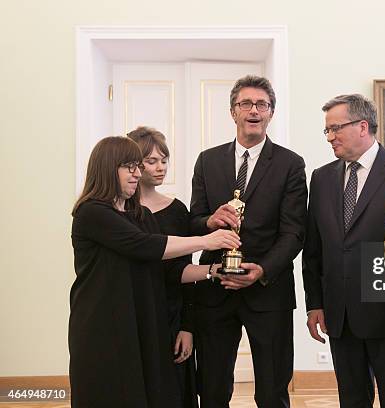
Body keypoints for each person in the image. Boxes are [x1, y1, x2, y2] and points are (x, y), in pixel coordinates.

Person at [69, 136, 240, 408]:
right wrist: (207, 240)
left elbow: (169, 270)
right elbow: (145, 245)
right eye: (129, 167)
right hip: (101, 325)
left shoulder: (141, 215)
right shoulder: (91, 213)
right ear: (107, 168)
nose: (138, 173)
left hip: (140, 322)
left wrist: (212, 270)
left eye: (138, 166)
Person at [190, 75, 307, 407]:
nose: (254, 110)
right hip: (215, 289)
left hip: (269, 291)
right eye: (246, 104)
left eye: (262, 104)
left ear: (271, 113)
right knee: (211, 388)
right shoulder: (207, 160)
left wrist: (263, 270)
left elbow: (294, 231)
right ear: (233, 111)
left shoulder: (290, 164)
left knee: (272, 390)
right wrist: (210, 222)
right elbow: (193, 220)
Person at [302, 94, 385, 407]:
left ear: (362, 126)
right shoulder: (322, 177)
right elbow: (314, 247)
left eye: (335, 128)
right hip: (339, 315)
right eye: (326, 130)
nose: (330, 137)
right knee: (352, 400)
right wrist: (314, 303)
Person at [127, 126, 198, 408]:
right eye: (152, 161)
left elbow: (185, 272)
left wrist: (187, 327)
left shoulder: (177, 209)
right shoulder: (117, 211)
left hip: (171, 315)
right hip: (133, 315)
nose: (160, 168)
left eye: (164, 160)